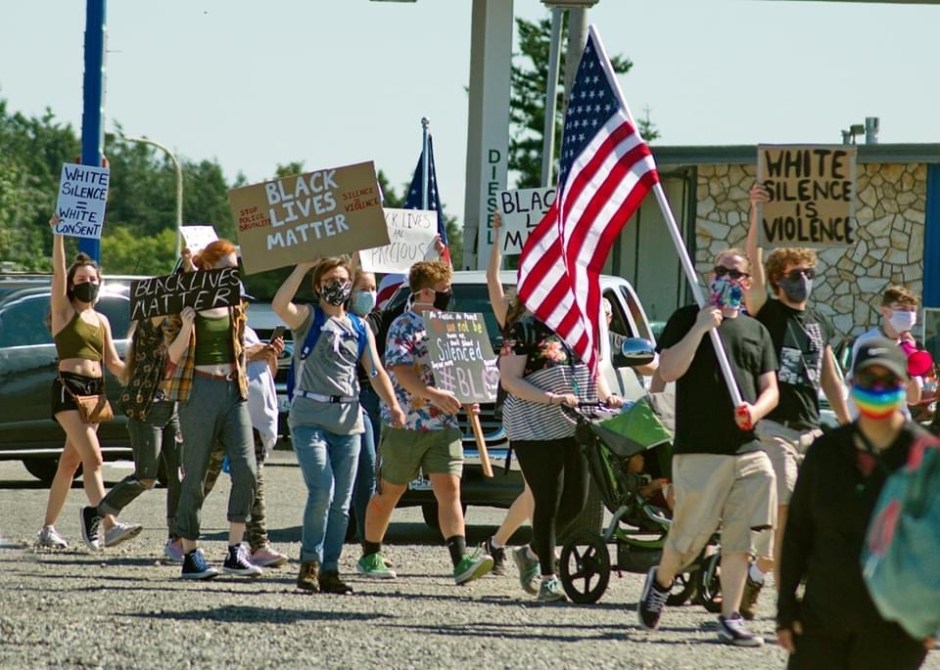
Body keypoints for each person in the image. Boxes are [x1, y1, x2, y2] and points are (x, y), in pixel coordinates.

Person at [637, 248, 779, 646]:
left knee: (741, 536)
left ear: (747, 282)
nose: (727, 279)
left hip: (748, 449)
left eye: (736, 274)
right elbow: (667, 371)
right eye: (720, 271)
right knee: (688, 539)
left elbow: (771, 389)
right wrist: (701, 328)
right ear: (709, 275)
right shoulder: (687, 318)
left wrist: (756, 409)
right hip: (699, 448)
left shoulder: (757, 331)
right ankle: (661, 580)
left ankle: (730, 616)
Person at [777, 337, 934, 668]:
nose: (878, 389)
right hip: (822, 623)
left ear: (905, 386)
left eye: (888, 381)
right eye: (868, 380)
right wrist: (785, 608)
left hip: (896, 631)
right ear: (852, 385)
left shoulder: (925, 459)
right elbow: (796, 534)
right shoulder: (825, 452)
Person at [743, 183, 851, 617]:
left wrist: (850, 427)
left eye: (807, 273)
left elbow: (830, 379)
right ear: (777, 280)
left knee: (804, 520)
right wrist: (756, 213)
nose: (802, 281)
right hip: (774, 429)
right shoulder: (767, 313)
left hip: (810, 431)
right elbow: (750, 262)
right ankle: (785, 604)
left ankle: (755, 576)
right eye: (793, 274)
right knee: (785, 506)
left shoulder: (817, 322)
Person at [356, 260, 494, 585]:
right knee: (391, 491)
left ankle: (460, 560)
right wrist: (433, 394)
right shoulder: (405, 325)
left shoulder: (453, 326)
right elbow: (400, 371)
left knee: (449, 489)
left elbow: (466, 369)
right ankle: (370, 552)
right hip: (406, 424)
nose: (450, 294)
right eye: (446, 289)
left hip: (443, 426)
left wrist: (470, 391)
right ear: (428, 291)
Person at [273, 257, 405, 594]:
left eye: (343, 279)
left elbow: (374, 370)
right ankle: (309, 564)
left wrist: (393, 404)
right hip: (309, 417)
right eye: (331, 279)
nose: (338, 284)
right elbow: (279, 305)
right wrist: (302, 267)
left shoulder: (359, 327)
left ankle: (330, 569)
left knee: (341, 503)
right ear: (318, 286)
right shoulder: (308, 317)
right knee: (322, 490)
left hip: (348, 421)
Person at [499, 308, 624, 602]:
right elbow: (509, 380)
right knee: (548, 500)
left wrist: (607, 396)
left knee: (576, 501)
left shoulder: (580, 326)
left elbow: (591, 370)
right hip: (532, 428)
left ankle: (529, 552)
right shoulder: (522, 329)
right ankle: (548, 579)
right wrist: (551, 398)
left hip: (573, 424)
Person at [39, 213, 139, 551]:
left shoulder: (102, 320)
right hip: (69, 390)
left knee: (71, 462)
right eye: (81, 277)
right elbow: (57, 271)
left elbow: (113, 363)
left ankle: (47, 529)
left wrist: (140, 377)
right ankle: (107, 522)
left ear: (100, 282)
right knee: (94, 459)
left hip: (96, 395)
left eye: (93, 278)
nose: (88, 282)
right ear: (72, 282)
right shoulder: (64, 311)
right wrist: (58, 235)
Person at [165, 239, 260, 580]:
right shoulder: (185, 302)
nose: (232, 276)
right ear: (208, 268)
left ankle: (236, 550)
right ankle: (190, 552)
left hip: (233, 389)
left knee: (247, 468)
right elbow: (172, 357)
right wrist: (188, 324)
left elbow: (240, 346)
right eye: (225, 270)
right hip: (198, 391)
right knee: (195, 474)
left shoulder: (235, 303)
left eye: (235, 271)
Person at [202, 321, 288, 569]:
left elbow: (266, 373)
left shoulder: (249, 330)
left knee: (253, 479)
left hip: (255, 419)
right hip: (225, 412)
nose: (242, 307)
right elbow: (218, 362)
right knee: (204, 475)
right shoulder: (215, 326)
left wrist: (271, 355)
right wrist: (254, 353)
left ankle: (258, 545)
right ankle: (180, 536)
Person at [98, 312, 183, 561]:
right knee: (147, 476)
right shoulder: (147, 331)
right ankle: (100, 511)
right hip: (149, 407)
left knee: (179, 475)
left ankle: (176, 538)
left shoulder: (181, 330)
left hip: (173, 407)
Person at [480, 211, 535, 576]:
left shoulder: (559, 317)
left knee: (540, 490)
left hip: (556, 408)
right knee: (538, 488)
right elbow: (492, 278)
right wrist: (499, 235)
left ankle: (505, 544)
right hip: (524, 407)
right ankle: (514, 547)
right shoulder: (512, 320)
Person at [848, 285, 924, 418]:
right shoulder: (867, 343)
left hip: (899, 423)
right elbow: (859, 388)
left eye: (912, 311)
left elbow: (913, 398)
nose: (908, 315)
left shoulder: (911, 347)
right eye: (902, 309)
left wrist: (911, 360)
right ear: (886, 311)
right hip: (867, 421)